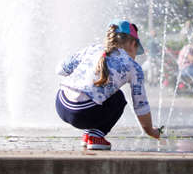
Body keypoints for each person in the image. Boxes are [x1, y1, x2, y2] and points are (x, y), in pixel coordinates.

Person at [55, 20, 161, 150]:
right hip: (83, 113)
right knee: (118, 98)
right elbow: (141, 105)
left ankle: (88, 134)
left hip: (61, 104)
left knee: (98, 94)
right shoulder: (133, 67)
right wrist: (150, 130)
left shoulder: (92, 49)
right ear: (133, 44)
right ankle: (96, 136)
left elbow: (60, 69)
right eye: (136, 50)